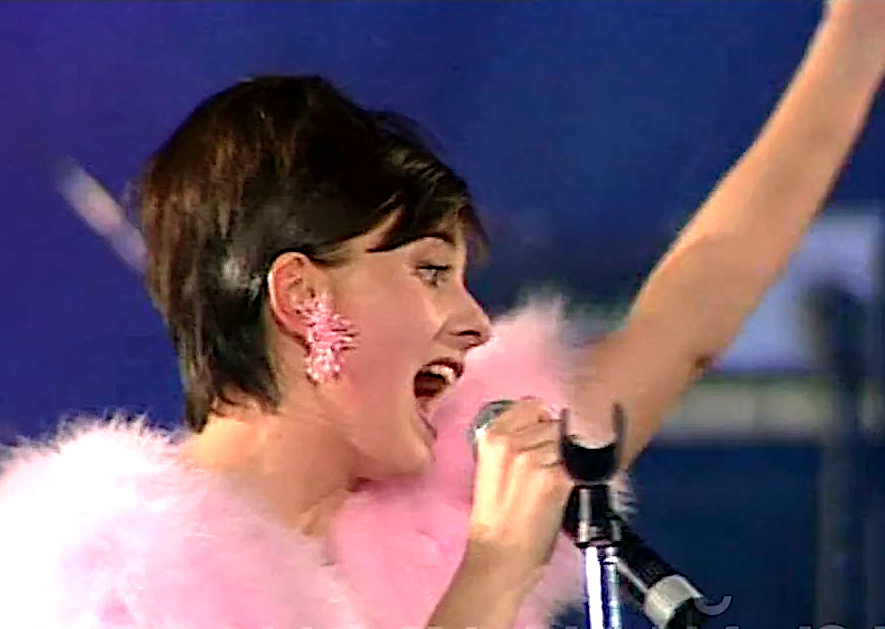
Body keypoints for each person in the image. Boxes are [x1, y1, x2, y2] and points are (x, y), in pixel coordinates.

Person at [1, 2, 884, 628]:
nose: (473, 323)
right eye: (429, 272)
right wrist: (490, 570)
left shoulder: (446, 494)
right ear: (302, 296)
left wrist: (854, 40)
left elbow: (685, 317)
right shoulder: (105, 581)